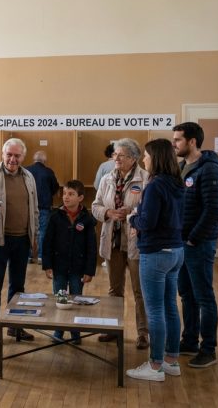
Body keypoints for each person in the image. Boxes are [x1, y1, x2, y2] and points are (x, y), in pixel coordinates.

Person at [126, 138, 185, 381]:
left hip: (156, 253)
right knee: (170, 306)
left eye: (147, 156)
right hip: (176, 252)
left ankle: (155, 366)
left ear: (157, 158)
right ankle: (171, 360)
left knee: (155, 310)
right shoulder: (177, 183)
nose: (144, 160)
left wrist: (132, 219)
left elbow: (147, 222)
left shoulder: (155, 185)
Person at [173, 122, 218, 368]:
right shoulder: (182, 167)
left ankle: (208, 349)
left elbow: (214, 210)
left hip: (199, 243)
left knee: (204, 296)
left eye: (178, 140)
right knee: (186, 294)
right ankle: (190, 340)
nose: (174, 144)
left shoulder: (209, 169)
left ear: (192, 141)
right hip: (183, 242)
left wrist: (193, 238)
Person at [92, 138, 150, 349]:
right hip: (113, 242)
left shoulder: (145, 179)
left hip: (136, 243)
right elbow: (95, 206)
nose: (116, 159)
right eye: (114, 155)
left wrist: (129, 213)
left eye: (121, 155)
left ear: (133, 158)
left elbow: (149, 210)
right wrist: (107, 212)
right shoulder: (107, 178)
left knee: (139, 291)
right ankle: (111, 329)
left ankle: (143, 333)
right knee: (114, 290)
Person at [0, 138, 39, 345]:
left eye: (17, 155)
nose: (12, 159)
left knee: (18, 286)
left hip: (22, 240)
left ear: (23, 157)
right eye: (9, 155)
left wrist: (34, 237)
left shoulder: (29, 177)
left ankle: (15, 326)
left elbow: (34, 209)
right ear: (2, 155)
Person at [42, 180, 97, 345]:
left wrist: (89, 271)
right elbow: (47, 242)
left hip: (78, 269)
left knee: (75, 299)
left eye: (71, 194)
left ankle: (75, 333)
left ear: (80, 197)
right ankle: (58, 332)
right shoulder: (55, 216)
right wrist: (47, 265)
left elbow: (91, 247)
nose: (66, 197)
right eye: (64, 193)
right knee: (61, 299)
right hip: (59, 267)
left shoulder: (87, 219)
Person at [25, 150, 60, 264]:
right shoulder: (48, 171)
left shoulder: (26, 170)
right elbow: (55, 187)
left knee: (28, 230)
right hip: (44, 206)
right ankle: (41, 256)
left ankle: (29, 256)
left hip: (28, 206)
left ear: (34, 159)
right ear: (44, 160)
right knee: (43, 231)